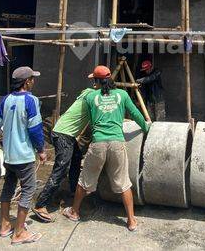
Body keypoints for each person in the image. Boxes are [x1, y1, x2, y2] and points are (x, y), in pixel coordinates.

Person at [62, 65, 150, 231]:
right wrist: (146, 129)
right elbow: (136, 114)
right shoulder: (122, 95)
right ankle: (131, 221)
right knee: (124, 183)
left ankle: (74, 212)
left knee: (85, 180)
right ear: (110, 79)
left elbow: (88, 120)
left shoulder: (90, 97)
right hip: (117, 142)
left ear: (96, 81)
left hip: (98, 143)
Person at [0, 66, 47, 245]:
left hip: (9, 156)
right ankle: (19, 232)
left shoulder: (6, 99)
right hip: (24, 156)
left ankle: (4, 226)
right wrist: (41, 150)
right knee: (28, 190)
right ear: (26, 82)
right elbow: (35, 130)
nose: (34, 81)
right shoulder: (31, 101)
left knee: (8, 188)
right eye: (32, 78)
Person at [31, 87, 93, 222]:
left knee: (76, 158)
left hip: (64, 133)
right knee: (61, 169)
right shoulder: (93, 97)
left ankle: (73, 189)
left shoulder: (87, 92)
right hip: (63, 135)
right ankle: (40, 204)